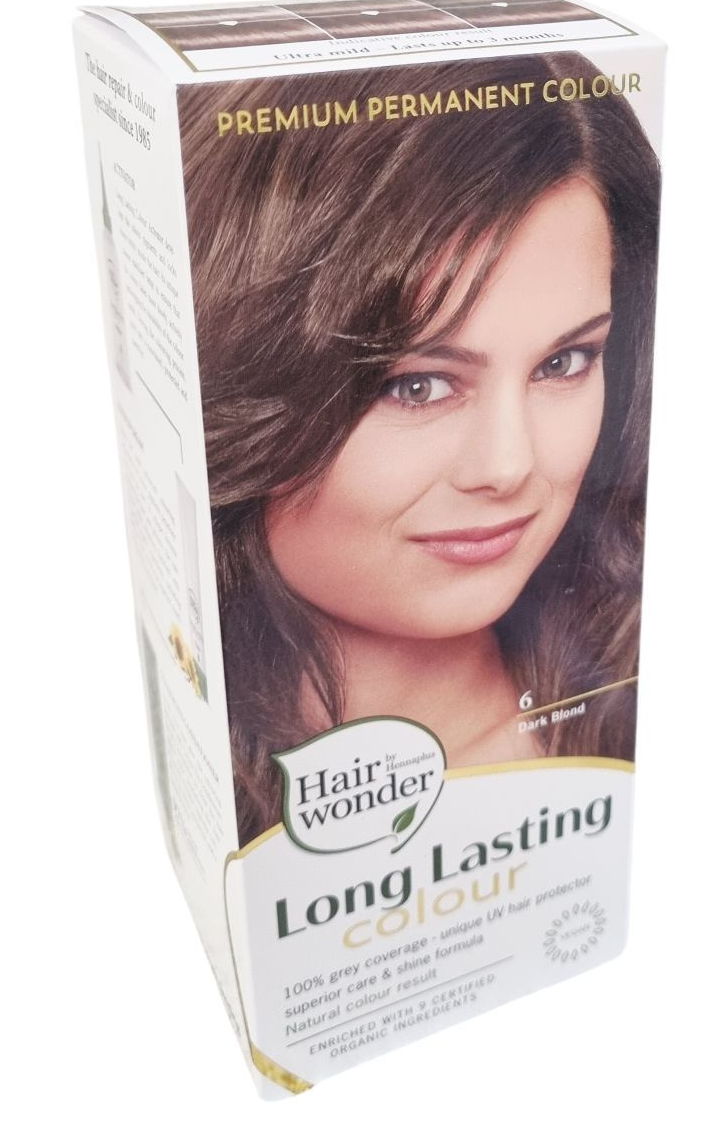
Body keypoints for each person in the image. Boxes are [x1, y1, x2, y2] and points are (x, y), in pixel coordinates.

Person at [178, 52, 661, 845]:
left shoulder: (630, 728)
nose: (509, 467)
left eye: (564, 363)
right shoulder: (197, 770)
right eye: (416, 386)